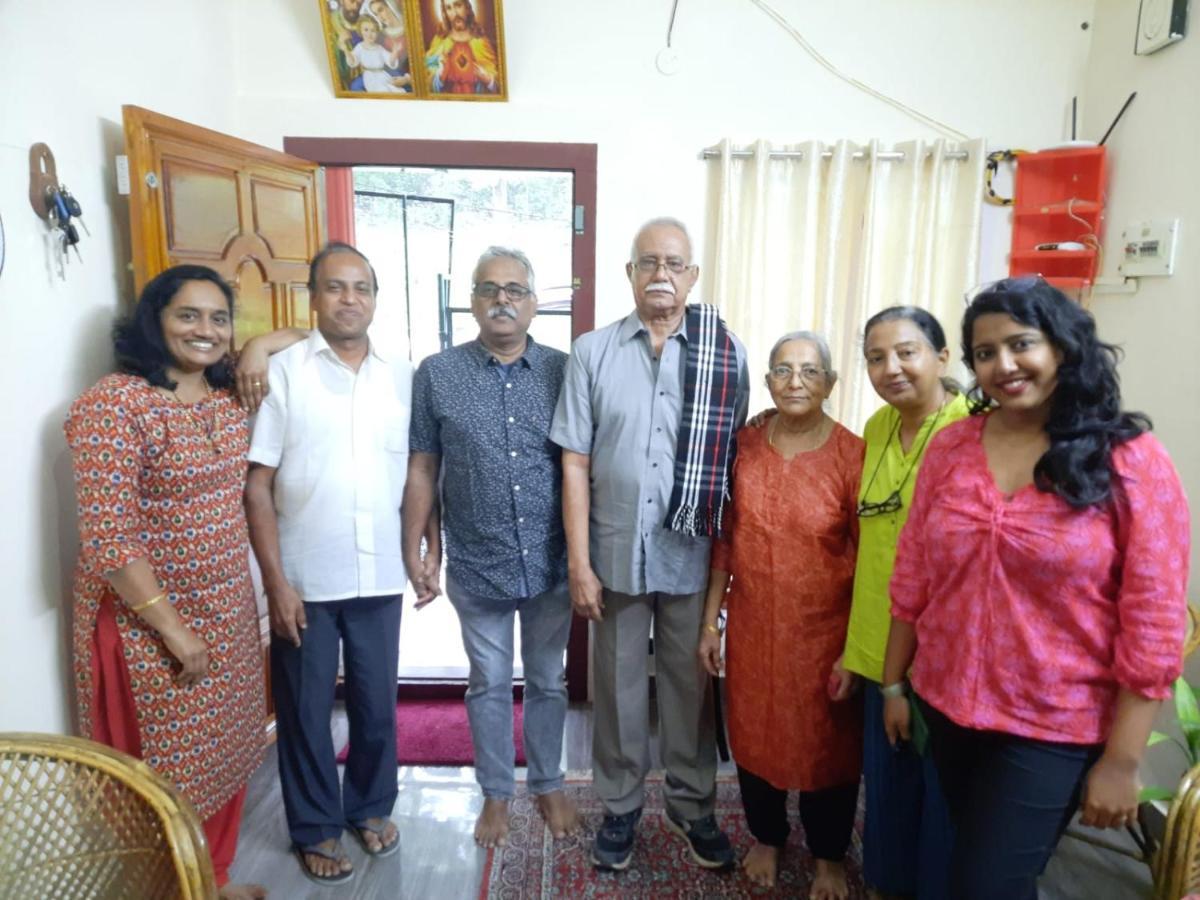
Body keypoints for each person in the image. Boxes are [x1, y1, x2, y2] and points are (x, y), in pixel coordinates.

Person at [882, 277, 1191, 900]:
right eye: (985, 353)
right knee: (986, 864)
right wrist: (893, 683)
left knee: (982, 885)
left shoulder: (1130, 460)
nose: (1003, 365)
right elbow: (913, 574)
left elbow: (1154, 623)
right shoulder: (952, 448)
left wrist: (1124, 761)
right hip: (947, 708)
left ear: (1063, 345)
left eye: (1020, 344)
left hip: (1053, 727)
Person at [64, 264, 298, 900]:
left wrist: (256, 343)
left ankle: (211, 881)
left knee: (221, 756)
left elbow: (312, 335)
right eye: (187, 315)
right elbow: (109, 540)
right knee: (164, 774)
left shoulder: (228, 399)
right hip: (149, 625)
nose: (205, 330)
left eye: (219, 318)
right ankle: (166, 889)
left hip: (225, 610)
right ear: (153, 321)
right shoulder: (115, 405)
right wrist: (174, 632)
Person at [551, 217, 749, 871]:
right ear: (629, 273)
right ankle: (621, 805)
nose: (661, 273)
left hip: (693, 552)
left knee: (691, 684)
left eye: (674, 262)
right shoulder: (593, 352)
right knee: (616, 685)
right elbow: (574, 461)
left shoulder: (726, 353)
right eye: (647, 262)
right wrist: (579, 562)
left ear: (692, 275)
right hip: (612, 551)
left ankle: (693, 808)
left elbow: (735, 465)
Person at [245, 242, 422, 886]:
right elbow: (257, 486)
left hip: (377, 574)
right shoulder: (281, 372)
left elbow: (419, 474)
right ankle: (315, 826)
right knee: (305, 707)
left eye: (362, 288)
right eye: (335, 287)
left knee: (378, 706)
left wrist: (423, 547)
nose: (350, 299)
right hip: (304, 579)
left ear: (376, 299)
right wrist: (277, 584)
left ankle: (371, 807)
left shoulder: (404, 378)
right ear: (313, 297)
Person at [402, 247, 579, 849]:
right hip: (477, 562)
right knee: (489, 681)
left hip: (552, 559)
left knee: (550, 682)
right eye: (488, 289)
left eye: (515, 290)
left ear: (534, 304)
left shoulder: (564, 370)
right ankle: (496, 794)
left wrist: (583, 559)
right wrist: (419, 551)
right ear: (472, 301)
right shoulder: (437, 373)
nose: (502, 300)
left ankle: (549, 782)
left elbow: (581, 468)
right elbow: (423, 467)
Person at [698, 331, 864, 897]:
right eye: (783, 370)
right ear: (766, 381)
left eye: (810, 371)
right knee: (754, 734)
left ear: (832, 384)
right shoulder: (743, 447)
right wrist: (709, 620)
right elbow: (726, 539)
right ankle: (766, 836)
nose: (796, 382)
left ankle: (828, 855)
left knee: (827, 747)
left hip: (826, 632)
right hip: (753, 625)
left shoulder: (853, 455)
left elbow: (871, 560)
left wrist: (856, 648)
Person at [842, 307, 968, 900]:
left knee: (944, 800)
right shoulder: (876, 428)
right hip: (876, 643)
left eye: (907, 352)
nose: (890, 368)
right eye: (875, 357)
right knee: (887, 789)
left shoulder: (975, 432)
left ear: (943, 358)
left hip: (946, 654)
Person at [425, 0, 499, 94]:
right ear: (445, 13)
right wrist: (439, 76)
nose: (455, 13)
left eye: (458, 5)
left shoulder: (480, 42)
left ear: (467, 8)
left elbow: (498, 85)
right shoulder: (440, 41)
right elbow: (426, 79)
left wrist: (488, 80)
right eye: (448, 8)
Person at [349, 16, 408, 93]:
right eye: (366, 30)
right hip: (370, 77)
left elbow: (390, 61)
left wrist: (395, 52)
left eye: (373, 31)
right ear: (361, 31)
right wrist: (346, 51)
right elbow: (353, 60)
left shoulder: (379, 48)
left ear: (377, 33)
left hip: (382, 75)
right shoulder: (360, 47)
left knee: (396, 90)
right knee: (382, 90)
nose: (369, 34)